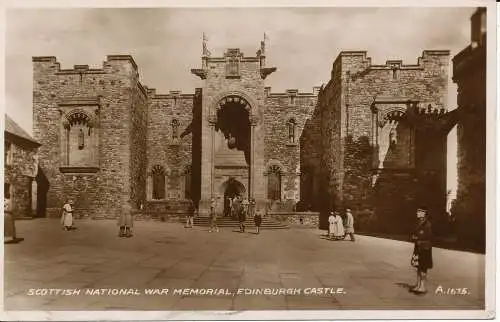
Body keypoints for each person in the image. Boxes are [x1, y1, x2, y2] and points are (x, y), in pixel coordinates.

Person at [409, 207, 433, 294]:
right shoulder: (419, 223)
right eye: (417, 211)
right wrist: (415, 237)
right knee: (418, 266)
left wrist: (417, 238)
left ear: (424, 213)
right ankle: (418, 284)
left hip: (424, 248)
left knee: (423, 267)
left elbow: (427, 236)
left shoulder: (427, 224)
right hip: (418, 247)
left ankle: (422, 286)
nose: (417, 213)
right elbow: (416, 233)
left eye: (419, 211)